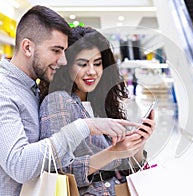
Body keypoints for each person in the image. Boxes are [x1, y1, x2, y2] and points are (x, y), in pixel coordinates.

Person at [0, 6, 136, 195]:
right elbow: (19, 166)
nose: (62, 61)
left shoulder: (30, 89)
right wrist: (85, 126)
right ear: (28, 47)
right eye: (56, 51)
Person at [39, 26, 155, 195]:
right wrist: (113, 152)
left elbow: (128, 165)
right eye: (82, 64)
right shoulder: (58, 101)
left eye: (98, 63)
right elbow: (57, 169)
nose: (91, 71)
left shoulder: (101, 102)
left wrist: (138, 142)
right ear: (67, 65)